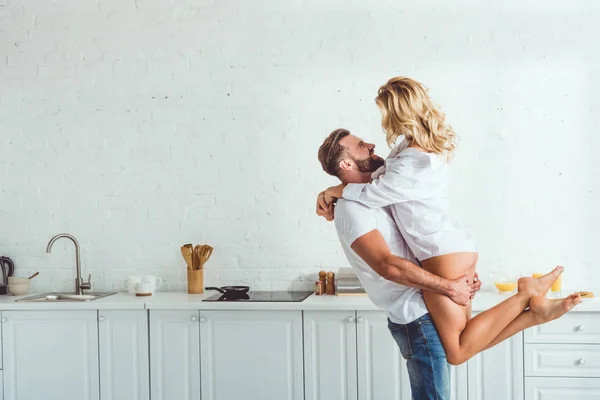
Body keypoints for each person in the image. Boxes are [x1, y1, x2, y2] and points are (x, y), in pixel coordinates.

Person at [317, 127, 582, 399]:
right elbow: (388, 265)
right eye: (361, 145)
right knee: (448, 372)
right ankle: (529, 301)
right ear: (346, 163)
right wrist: (448, 286)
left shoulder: (374, 193)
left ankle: (532, 308)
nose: (372, 145)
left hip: (430, 296)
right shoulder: (351, 209)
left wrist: (456, 277)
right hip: (414, 314)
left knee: (462, 349)